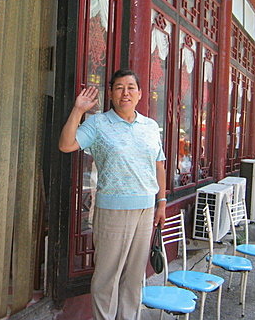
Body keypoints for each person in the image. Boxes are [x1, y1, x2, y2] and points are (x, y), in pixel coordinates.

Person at [59, 69, 166, 320]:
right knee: (108, 275)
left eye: (131, 87)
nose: (125, 92)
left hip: (146, 208)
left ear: (140, 94)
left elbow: (159, 165)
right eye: (119, 87)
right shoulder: (97, 124)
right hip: (113, 209)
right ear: (111, 93)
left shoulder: (150, 126)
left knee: (134, 275)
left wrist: (161, 202)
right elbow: (66, 145)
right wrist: (78, 111)